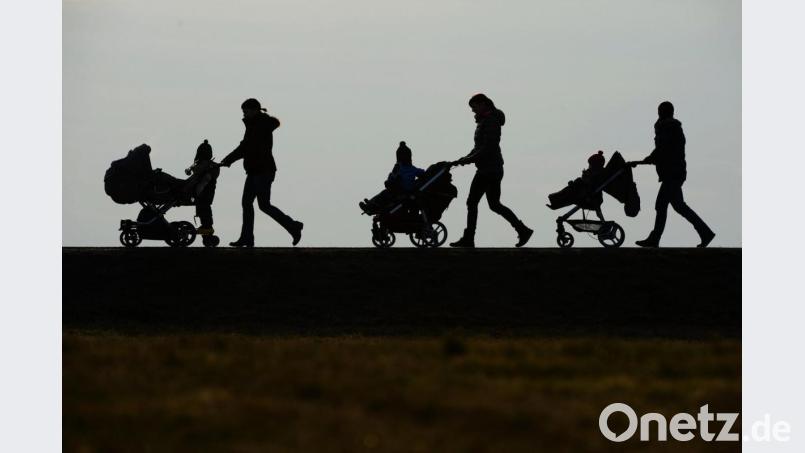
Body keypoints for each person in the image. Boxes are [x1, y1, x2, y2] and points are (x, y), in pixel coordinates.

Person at [450, 93, 533, 248]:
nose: (473, 111)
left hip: (488, 170)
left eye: (474, 107)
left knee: (472, 202)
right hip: (491, 168)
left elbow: (488, 147)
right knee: (494, 204)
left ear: (483, 104)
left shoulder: (490, 121)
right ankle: (523, 230)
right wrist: (465, 158)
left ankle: (469, 238)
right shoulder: (486, 121)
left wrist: (469, 159)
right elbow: (479, 147)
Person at [220, 98, 303, 247]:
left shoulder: (259, 126)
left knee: (263, 205)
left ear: (254, 110)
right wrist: (228, 160)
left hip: (263, 170)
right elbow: (245, 146)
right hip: (254, 170)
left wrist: (228, 160)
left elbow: (246, 147)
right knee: (247, 203)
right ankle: (247, 238)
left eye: (245, 111)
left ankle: (293, 226)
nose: (244, 114)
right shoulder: (254, 125)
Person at [633, 101, 715, 248]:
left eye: (661, 110)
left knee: (661, 205)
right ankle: (705, 232)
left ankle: (655, 238)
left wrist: (650, 159)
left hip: (673, 173)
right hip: (674, 173)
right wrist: (650, 159)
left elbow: (664, 148)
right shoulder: (669, 127)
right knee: (678, 206)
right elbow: (662, 149)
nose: (659, 113)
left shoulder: (668, 127)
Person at [359, 141, 425, 214]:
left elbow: (391, 178)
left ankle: (371, 206)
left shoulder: (402, 168)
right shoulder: (410, 168)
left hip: (403, 192)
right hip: (400, 190)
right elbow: (422, 173)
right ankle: (370, 205)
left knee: (385, 194)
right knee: (384, 193)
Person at [184, 139, 220, 235]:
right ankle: (206, 227)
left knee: (203, 207)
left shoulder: (205, 166)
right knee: (203, 208)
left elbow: (202, 178)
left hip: (204, 191)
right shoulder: (211, 165)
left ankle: (207, 227)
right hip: (206, 191)